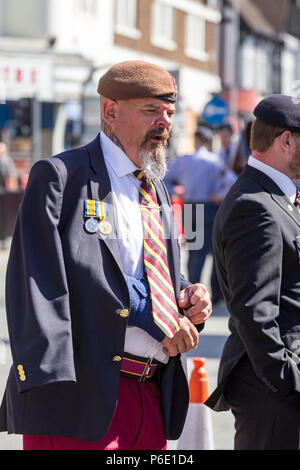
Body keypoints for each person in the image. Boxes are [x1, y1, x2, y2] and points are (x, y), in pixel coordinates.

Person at [0, 60, 212, 451]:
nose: (164, 122)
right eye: (151, 110)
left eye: (169, 111)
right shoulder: (61, 177)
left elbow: (149, 270)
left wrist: (186, 295)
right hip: (81, 399)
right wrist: (155, 312)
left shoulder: (155, 186)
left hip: (150, 393)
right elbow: (50, 280)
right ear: (110, 111)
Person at [205, 94, 300, 450]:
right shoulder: (255, 205)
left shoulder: (275, 197)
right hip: (273, 391)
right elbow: (254, 311)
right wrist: (285, 381)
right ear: (286, 141)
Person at [164, 126, 235, 304]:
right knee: (215, 252)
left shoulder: (183, 160)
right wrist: (220, 194)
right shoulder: (215, 161)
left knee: (195, 251)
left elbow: (163, 177)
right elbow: (232, 181)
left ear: (196, 140)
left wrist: (176, 191)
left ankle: (191, 291)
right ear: (208, 141)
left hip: (190, 206)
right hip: (210, 207)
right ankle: (216, 293)